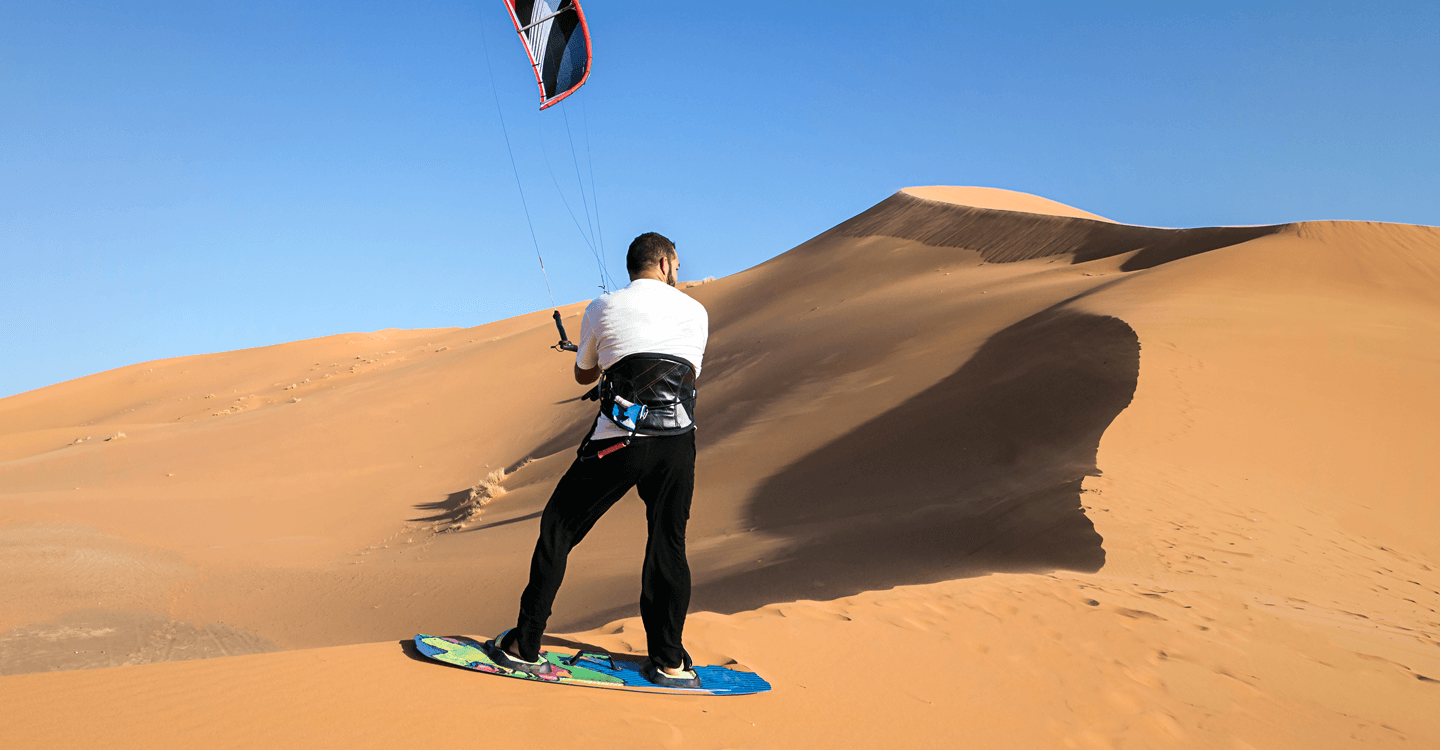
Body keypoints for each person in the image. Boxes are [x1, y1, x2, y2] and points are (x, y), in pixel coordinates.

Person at [488, 232, 710, 687]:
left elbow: (582, 374)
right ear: (664, 264)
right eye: (676, 264)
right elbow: (683, 372)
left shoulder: (602, 306)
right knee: (668, 544)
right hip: (677, 445)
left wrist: (597, 355)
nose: (678, 270)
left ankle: (524, 645)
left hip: (620, 443)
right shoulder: (697, 312)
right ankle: (670, 660)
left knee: (559, 527)